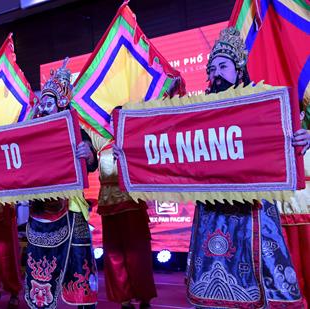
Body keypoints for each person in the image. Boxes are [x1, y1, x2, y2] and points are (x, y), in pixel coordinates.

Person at [184, 27, 308, 308]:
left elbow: (285, 136)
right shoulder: (199, 109)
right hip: (212, 208)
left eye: (223, 66)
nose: (216, 73)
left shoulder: (261, 99)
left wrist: (303, 138)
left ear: (239, 69)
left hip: (255, 208)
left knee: (267, 279)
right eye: (212, 68)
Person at [24, 59, 98, 309]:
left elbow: (90, 160)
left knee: (79, 264)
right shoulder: (30, 133)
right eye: (42, 103)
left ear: (61, 104)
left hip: (71, 209)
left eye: (49, 102)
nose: (44, 107)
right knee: (39, 268)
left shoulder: (74, 128)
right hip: (39, 211)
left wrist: (85, 152)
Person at [87, 106, 156, 309]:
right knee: (114, 255)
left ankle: (144, 298)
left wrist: (129, 156)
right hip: (108, 204)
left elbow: (148, 167)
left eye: (118, 117)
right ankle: (124, 299)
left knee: (138, 255)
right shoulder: (102, 141)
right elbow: (84, 131)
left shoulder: (137, 140)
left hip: (132, 204)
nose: (114, 121)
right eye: (111, 118)